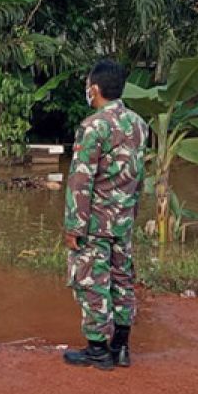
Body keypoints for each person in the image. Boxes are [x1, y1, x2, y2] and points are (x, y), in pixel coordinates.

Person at [63, 60, 148, 371]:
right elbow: (140, 175)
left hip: (96, 221)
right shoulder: (139, 125)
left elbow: (80, 179)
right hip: (123, 219)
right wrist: (132, 213)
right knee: (122, 279)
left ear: (94, 89)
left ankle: (97, 349)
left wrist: (74, 225)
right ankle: (121, 347)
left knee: (92, 280)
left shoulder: (93, 126)